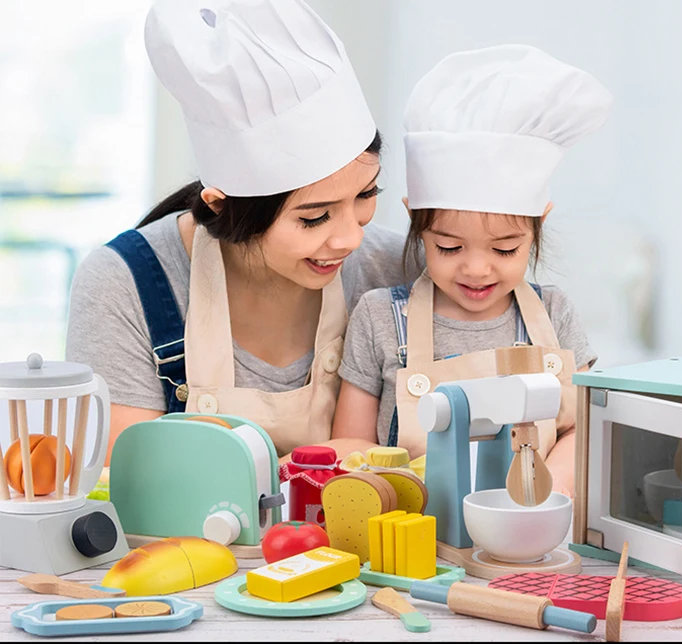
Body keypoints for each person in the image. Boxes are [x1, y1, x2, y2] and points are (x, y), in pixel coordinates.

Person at [66, 0, 418, 464]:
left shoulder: (399, 271)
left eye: (366, 194)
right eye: (314, 217)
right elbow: (130, 480)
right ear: (222, 205)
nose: (351, 238)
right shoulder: (122, 285)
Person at [331, 45, 612, 496]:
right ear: (416, 221)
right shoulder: (380, 317)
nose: (477, 269)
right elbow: (351, 447)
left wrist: (547, 494)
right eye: (449, 246)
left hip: (530, 521)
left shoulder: (554, 314)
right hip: (414, 524)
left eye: (504, 249)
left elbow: (584, 429)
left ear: (538, 224)